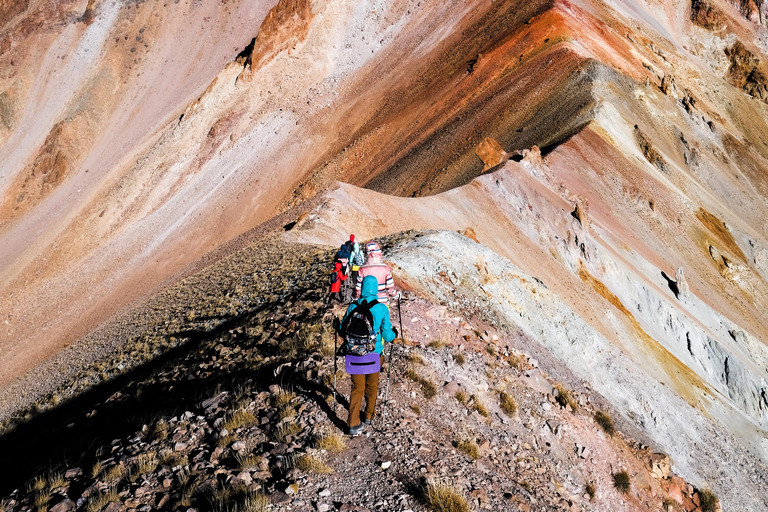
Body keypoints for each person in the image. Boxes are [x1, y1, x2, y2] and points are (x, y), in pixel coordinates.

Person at [340, 275, 397, 435]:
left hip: (354, 356)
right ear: (376, 289)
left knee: (356, 388)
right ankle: (368, 416)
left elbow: (342, 330)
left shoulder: (352, 307)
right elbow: (387, 335)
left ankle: (352, 424)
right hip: (374, 355)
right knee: (371, 387)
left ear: (362, 288)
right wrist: (394, 335)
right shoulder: (381, 309)